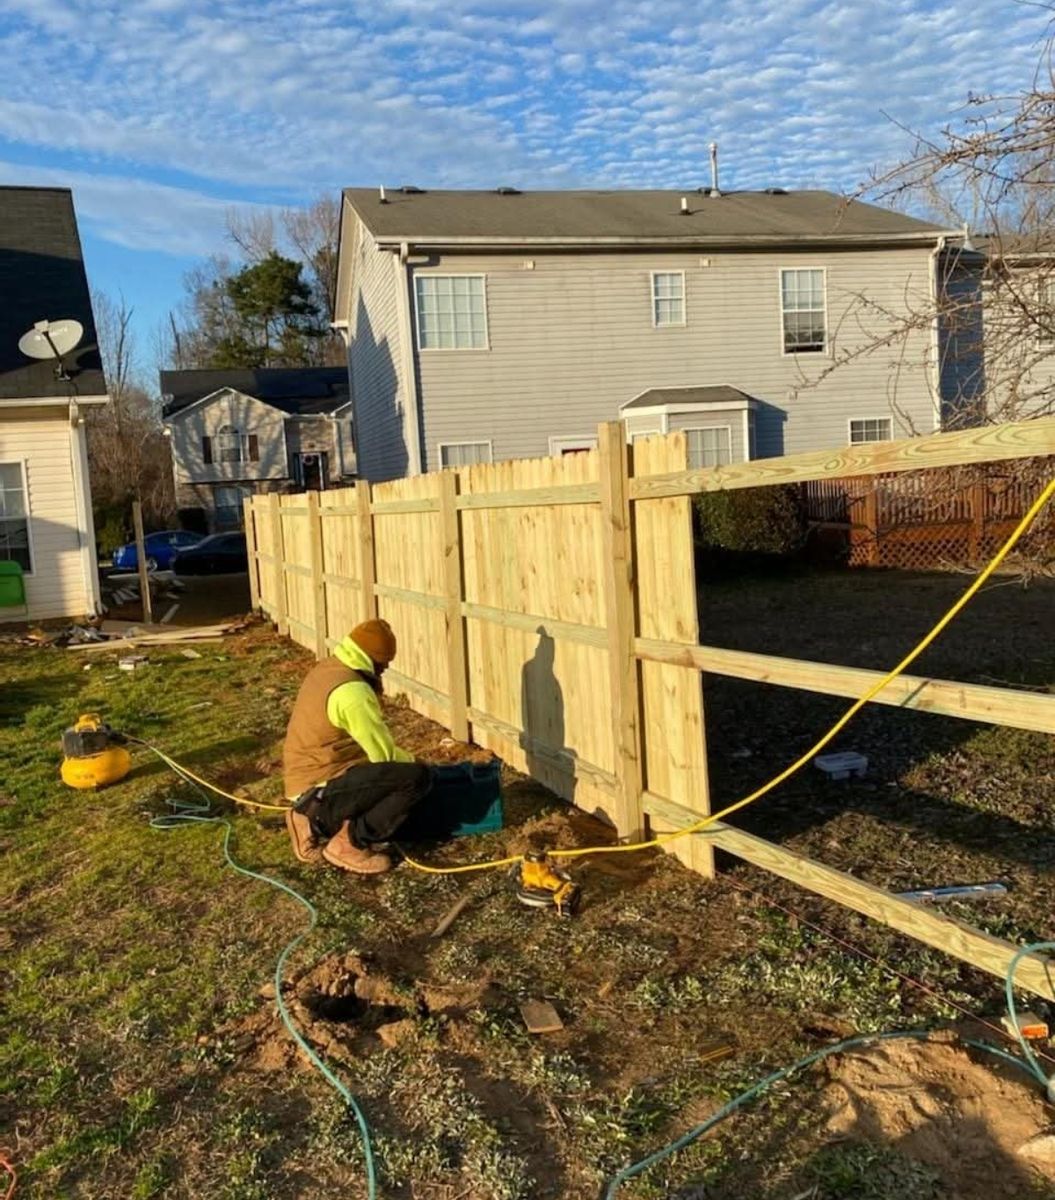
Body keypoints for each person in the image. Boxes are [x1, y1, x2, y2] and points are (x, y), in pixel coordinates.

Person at [282, 619, 431, 875]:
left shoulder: (330, 668)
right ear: (374, 660)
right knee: (414, 779)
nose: (385, 669)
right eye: (384, 664)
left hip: (311, 776)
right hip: (319, 789)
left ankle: (319, 820)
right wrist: (419, 763)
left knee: (397, 787)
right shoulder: (352, 692)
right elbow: (383, 757)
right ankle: (348, 843)